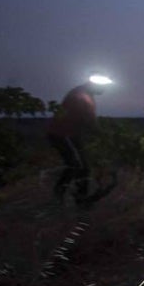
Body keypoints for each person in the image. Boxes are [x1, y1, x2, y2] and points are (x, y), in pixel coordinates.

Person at [47, 75, 111, 204]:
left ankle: (78, 197)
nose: (104, 90)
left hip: (71, 134)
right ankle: (67, 197)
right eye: (103, 87)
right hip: (63, 134)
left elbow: (88, 121)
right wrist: (105, 136)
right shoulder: (83, 97)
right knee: (77, 165)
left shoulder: (83, 93)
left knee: (82, 166)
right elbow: (90, 122)